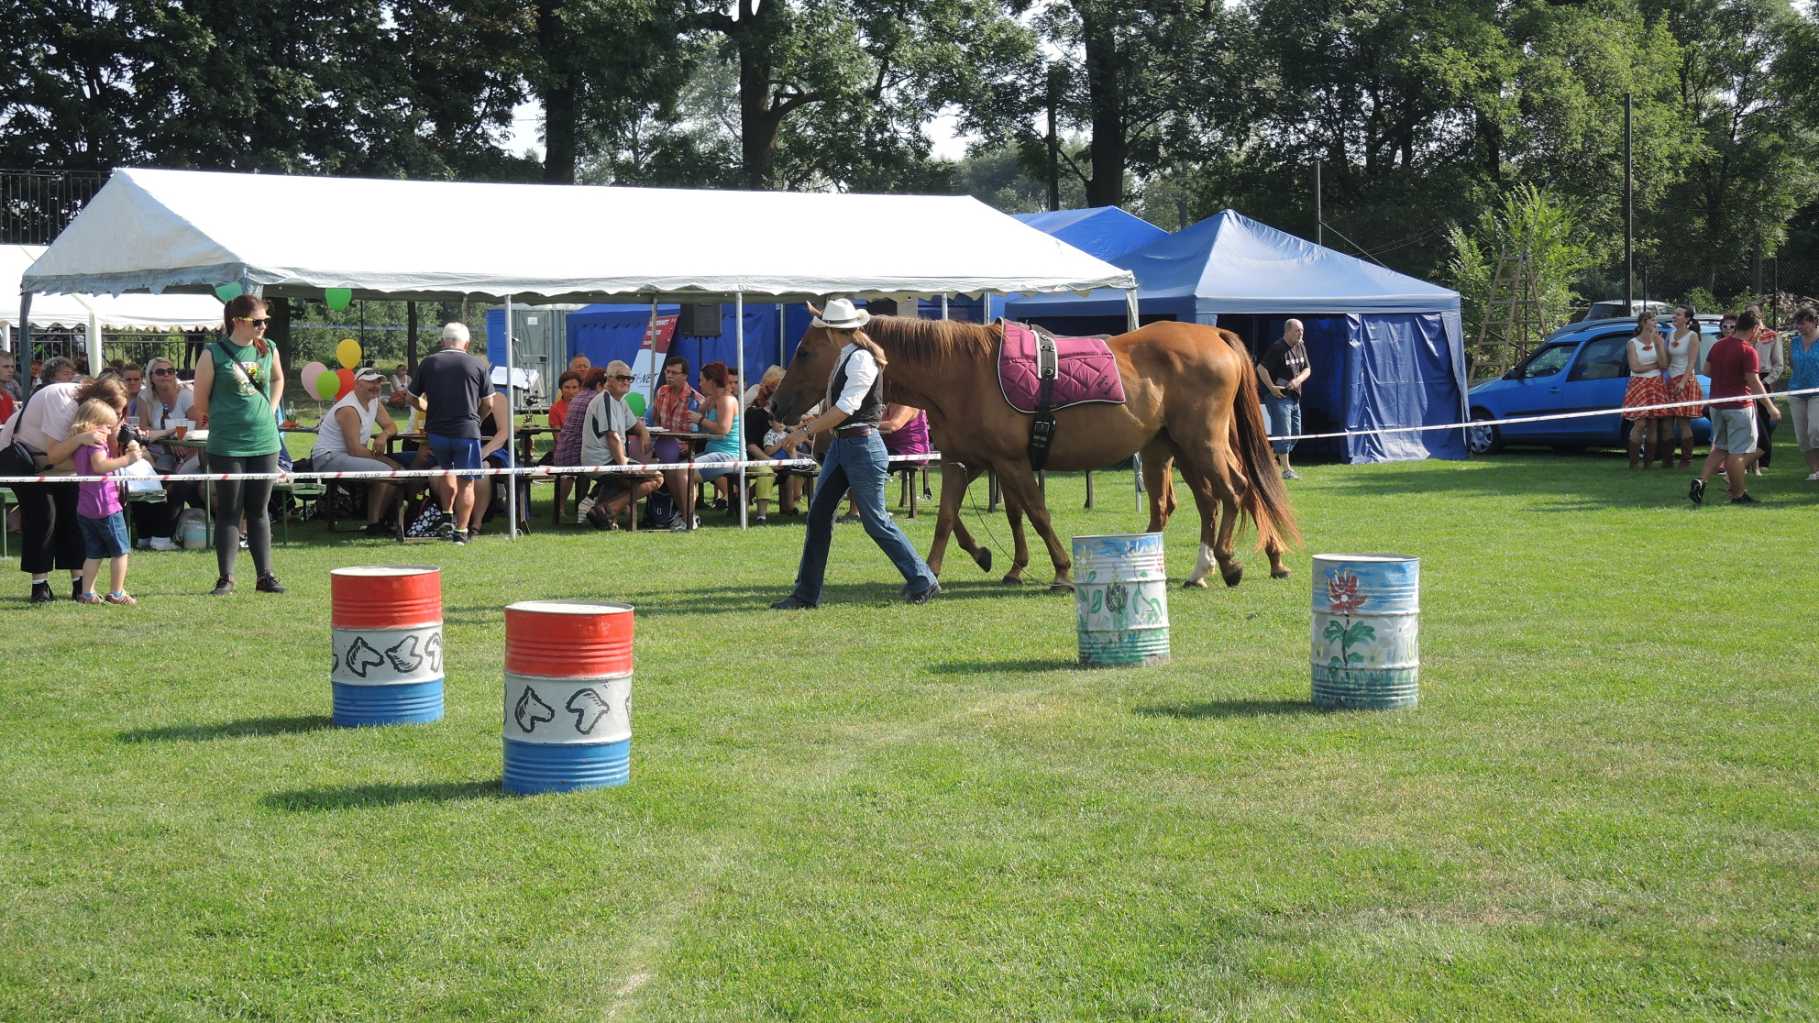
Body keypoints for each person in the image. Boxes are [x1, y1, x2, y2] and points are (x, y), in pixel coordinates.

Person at [770, 298, 938, 608]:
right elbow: (839, 409)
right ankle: (805, 595)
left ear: (833, 332)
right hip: (845, 445)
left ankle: (922, 578)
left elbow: (846, 409)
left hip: (861, 447)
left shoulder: (861, 359)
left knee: (875, 522)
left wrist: (804, 431)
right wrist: (813, 424)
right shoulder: (848, 355)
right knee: (818, 517)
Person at [2, 373, 128, 602]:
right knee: (43, 516)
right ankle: (39, 586)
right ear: (99, 404)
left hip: (61, 466)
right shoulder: (61, 399)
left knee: (74, 517)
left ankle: (80, 585)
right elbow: (55, 454)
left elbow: (87, 461)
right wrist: (82, 439)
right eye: (116, 413)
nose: (117, 419)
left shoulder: (98, 418)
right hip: (24, 458)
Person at [193, 293, 287, 595]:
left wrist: (270, 409)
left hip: (265, 441)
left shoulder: (268, 348)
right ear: (237, 321)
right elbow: (200, 401)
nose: (263, 326)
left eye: (266, 321)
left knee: (259, 509)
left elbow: (277, 379)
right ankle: (226, 578)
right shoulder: (213, 353)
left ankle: (265, 576)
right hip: (228, 443)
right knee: (230, 509)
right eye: (256, 321)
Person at [408, 322, 496, 544]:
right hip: (466, 431)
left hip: (436, 431)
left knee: (446, 470)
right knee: (467, 481)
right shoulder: (477, 365)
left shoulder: (428, 363)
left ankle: (447, 513)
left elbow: (410, 397)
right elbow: (489, 403)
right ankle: (462, 532)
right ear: (466, 343)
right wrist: (477, 419)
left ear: (443, 341)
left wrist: (426, 408)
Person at [1691, 308, 1779, 506]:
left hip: (1717, 405)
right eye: (1760, 329)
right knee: (1738, 453)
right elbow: (1754, 382)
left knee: (1720, 448)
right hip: (1739, 407)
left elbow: (1706, 370)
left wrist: (1726, 377)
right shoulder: (1748, 350)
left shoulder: (1718, 345)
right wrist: (1770, 407)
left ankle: (1700, 481)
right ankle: (1738, 495)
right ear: (1754, 328)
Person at [310, 368, 403, 535]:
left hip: (347, 454)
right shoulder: (348, 408)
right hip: (328, 458)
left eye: (378, 382)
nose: (376, 386)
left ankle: (379, 521)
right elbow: (354, 449)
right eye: (371, 382)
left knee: (395, 472)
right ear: (357, 384)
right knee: (388, 471)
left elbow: (392, 425)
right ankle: (374, 524)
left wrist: (383, 436)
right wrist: (384, 460)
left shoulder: (374, 401)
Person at [68, 398, 142, 605]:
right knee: (121, 552)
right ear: (92, 424)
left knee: (93, 553)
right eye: (107, 427)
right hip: (106, 507)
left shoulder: (80, 443)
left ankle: (87, 592)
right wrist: (129, 460)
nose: (110, 431)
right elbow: (100, 467)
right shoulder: (96, 444)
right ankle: (117, 593)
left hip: (86, 508)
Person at [579, 360, 661, 529]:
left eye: (629, 378)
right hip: (602, 462)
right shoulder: (605, 400)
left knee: (638, 477)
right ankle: (607, 510)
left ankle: (599, 509)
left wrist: (644, 432)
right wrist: (624, 465)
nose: (626, 381)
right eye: (621, 377)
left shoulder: (619, 401)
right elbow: (613, 437)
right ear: (608, 379)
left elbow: (633, 423)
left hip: (608, 461)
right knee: (657, 477)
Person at [682, 361, 742, 527]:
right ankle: (685, 514)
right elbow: (694, 422)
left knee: (684, 472)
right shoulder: (709, 401)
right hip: (713, 452)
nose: (699, 384)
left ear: (712, 381)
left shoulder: (727, 401)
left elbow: (723, 429)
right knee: (677, 469)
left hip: (730, 455)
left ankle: (687, 516)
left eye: (701, 380)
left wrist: (700, 419)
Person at [1256, 318, 1310, 479]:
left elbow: (1307, 369)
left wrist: (1297, 380)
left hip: (1294, 397)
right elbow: (1260, 368)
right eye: (1297, 330)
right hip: (1278, 397)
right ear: (1287, 331)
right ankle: (1287, 470)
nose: (1300, 333)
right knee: (1284, 432)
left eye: (1301, 330)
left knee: (1296, 433)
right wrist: (1271, 387)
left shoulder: (1300, 345)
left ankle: (1268, 457)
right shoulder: (1278, 348)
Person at [553, 368, 606, 523]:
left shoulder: (580, 398)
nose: (571, 391)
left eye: (574, 387)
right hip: (574, 453)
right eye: (567, 387)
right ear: (599, 384)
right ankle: (592, 505)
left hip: (573, 451)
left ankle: (584, 504)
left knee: (595, 471)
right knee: (613, 471)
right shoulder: (595, 399)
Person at [1622, 311, 1671, 469]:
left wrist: (1658, 344)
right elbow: (1635, 367)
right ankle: (1634, 462)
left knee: (1653, 423)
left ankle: (1648, 463)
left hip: (1656, 382)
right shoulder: (1632, 343)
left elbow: (1664, 365)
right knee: (1640, 422)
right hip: (1639, 384)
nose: (1655, 323)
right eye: (1652, 320)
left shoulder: (1659, 341)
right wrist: (1653, 365)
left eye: (1655, 320)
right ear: (1643, 322)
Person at [1664, 305, 1704, 468]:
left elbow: (1692, 362)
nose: (1675, 316)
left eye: (1678, 314)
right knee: (1666, 422)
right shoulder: (1670, 334)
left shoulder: (1692, 336)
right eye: (1674, 314)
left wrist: (1682, 382)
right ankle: (1668, 459)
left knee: (1683, 423)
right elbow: (1666, 361)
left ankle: (1686, 460)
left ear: (1687, 319)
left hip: (1684, 380)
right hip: (1670, 379)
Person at [1746, 306, 1784, 475]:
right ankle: (1747, 462)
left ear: (1760, 314)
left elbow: (1779, 363)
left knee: (1765, 422)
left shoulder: (1772, 336)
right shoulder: (1744, 334)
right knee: (1749, 421)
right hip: (1747, 378)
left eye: (1754, 312)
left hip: (1764, 378)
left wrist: (1767, 381)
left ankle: (1763, 461)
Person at [1788, 305, 1819, 481]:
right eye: (1798, 324)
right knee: (1802, 437)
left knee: (1815, 430)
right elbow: (1793, 364)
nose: (1800, 327)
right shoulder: (1794, 342)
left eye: (1804, 323)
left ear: (1814, 322)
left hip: (1817, 390)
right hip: (1797, 390)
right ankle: (1815, 471)